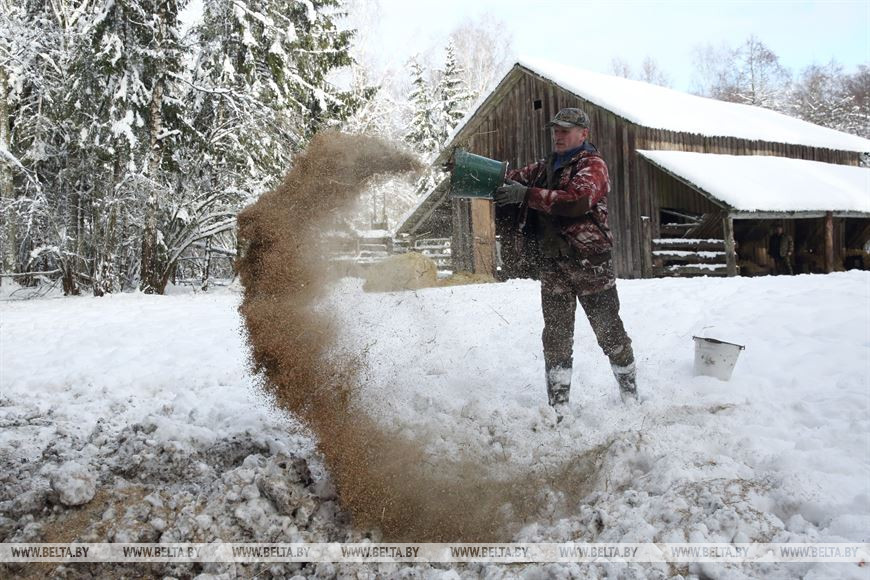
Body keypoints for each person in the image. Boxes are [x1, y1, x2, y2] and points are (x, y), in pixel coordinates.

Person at [492, 107, 637, 415]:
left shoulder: (592, 165)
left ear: (583, 134)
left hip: (589, 263)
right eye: (555, 129)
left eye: (565, 130)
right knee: (556, 336)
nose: (558, 134)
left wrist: (527, 195)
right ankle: (559, 404)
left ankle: (629, 392)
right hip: (553, 265)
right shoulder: (544, 168)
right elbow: (507, 179)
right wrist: (469, 169)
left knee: (609, 332)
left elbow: (577, 201)